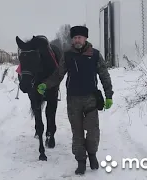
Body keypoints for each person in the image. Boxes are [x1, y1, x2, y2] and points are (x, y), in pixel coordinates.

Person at [36, 25, 114, 175]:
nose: (77, 40)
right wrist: (45, 85)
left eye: (80, 37)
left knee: (93, 132)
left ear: (85, 38)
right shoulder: (67, 56)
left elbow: (104, 75)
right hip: (73, 100)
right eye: (75, 37)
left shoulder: (95, 55)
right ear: (72, 39)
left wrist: (109, 95)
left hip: (91, 99)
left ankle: (92, 155)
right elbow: (58, 75)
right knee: (77, 133)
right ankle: (81, 161)